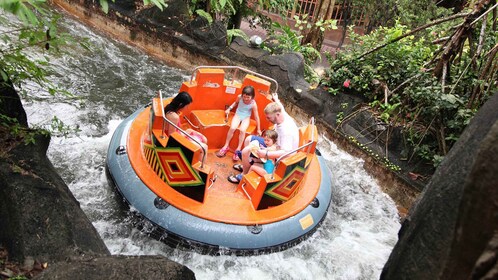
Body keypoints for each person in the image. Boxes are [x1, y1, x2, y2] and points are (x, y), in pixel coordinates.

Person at [228, 93, 299, 184]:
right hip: (274, 145)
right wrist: (276, 99)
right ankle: (247, 165)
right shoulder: (281, 113)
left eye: (269, 117)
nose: (267, 119)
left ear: (277, 115)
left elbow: (286, 152)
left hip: (281, 155)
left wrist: (266, 153)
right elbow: (280, 106)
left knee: (246, 151)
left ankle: (244, 174)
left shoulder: (286, 131)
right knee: (248, 139)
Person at [216, 85, 261, 161]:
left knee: (242, 130)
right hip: (238, 114)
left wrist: (259, 129)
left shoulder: (253, 104)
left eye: (248, 97)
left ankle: (238, 148)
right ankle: (226, 145)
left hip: (246, 116)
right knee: (232, 128)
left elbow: (256, 116)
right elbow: (235, 103)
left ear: (252, 97)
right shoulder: (239, 97)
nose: (245, 99)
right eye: (244, 97)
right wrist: (229, 109)